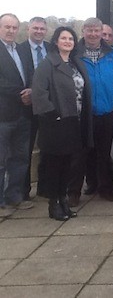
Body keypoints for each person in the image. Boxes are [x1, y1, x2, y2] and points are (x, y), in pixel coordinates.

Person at [32, 26, 93, 221]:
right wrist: (53, 114)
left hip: (74, 121)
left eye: (71, 39)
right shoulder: (47, 64)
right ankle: (53, 204)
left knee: (68, 165)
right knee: (54, 166)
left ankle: (63, 200)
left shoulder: (76, 63)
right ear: (56, 41)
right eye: (63, 38)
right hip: (55, 122)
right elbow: (39, 93)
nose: (67, 41)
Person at [71, 18, 113, 204]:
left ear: (101, 32)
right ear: (83, 31)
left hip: (108, 112)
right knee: (80, 155)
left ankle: (106, 188)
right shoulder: (74, 54)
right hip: (83, 114)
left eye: (96, 30)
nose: (93, 34)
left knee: (106, 153)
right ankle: (74, 193)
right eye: (89, 30)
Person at [0, 13, 33, 217]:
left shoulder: (20, 50)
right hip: (3, 115)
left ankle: (14, 196)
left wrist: (30, 90)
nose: (11, 31)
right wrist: (20, 93)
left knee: (20, 158)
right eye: (7, 27)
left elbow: (29, 75)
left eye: (14, 27)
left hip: (23, 114)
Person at [17, 16, 49, 200]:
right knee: (24, 150)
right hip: (26, 107)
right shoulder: (19, 50)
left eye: (41, 29)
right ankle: (23, 190)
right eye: (35, 28)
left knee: (47, 148)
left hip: (47, 107)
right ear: (28, 28)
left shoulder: (51, 49)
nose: (38, 31)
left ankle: (45, 187)